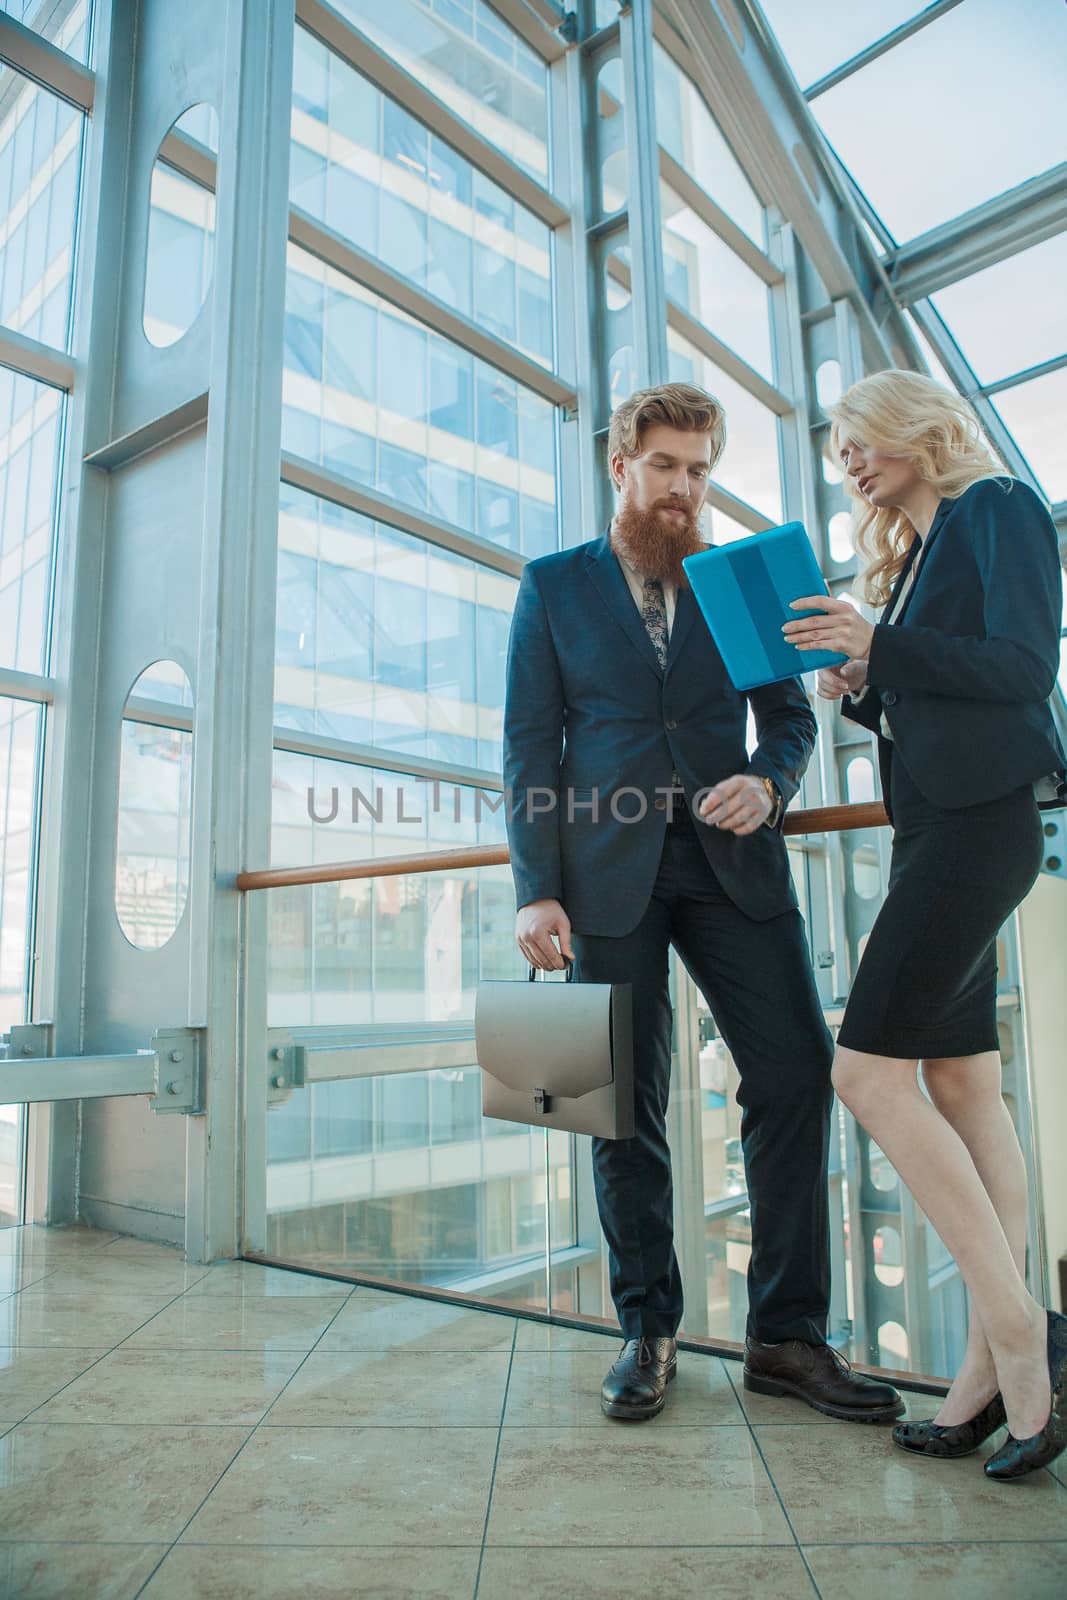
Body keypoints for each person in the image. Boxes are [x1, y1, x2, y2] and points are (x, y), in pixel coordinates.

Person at [503, 381, 902, 1424]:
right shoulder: (552, 586)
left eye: (698, 470)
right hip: (603, 875)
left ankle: (784, 1335)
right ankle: (646, 1327)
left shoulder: (738, 582)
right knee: (617, 1106)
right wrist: (533, 887)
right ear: (620, 466)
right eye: (666, 466)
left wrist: (769, 784)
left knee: (793, 1071)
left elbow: (787, 718)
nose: (683, 488)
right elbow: (526, 747)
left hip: (732, 863)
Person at [783, 368, 1067, 1481]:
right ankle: (980, 1380)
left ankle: (1021, 1338)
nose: (848, 458)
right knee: (956, 1084)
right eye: (836, 444)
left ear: (916, 429)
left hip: (974, 826)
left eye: (861, 435)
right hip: (931, 825)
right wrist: (856, 680)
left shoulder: (993, 509)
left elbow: (1019, 670)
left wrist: (881, 648)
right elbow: (934, 690)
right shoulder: (906, 562)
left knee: (863, 1074)